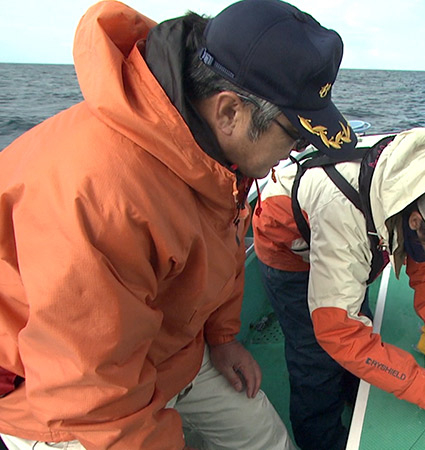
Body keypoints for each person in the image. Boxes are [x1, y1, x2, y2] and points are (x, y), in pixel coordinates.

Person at [0, 0, 357, 448]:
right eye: (295, 134)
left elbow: (219, 246)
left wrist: (223, 337)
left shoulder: (218, 155)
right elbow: (93, 398)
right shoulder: (98, 195)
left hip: (173, 352)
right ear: (229, 112)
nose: (294, 152)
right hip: (59, 401)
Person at [252, 129, 425, 449]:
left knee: (357, 333)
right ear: (413, 222)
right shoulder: (343, 216)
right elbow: (339, 331)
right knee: (315, 355)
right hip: (290, 248)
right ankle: (321, 439)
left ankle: (356, 397)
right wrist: (422, 388)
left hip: (341, 241)